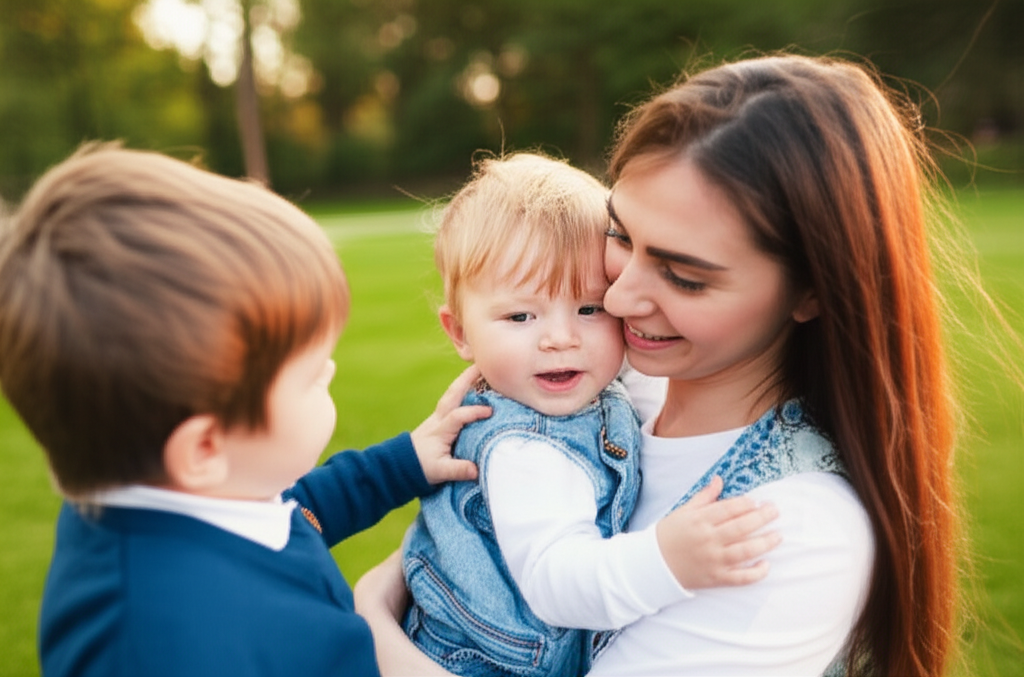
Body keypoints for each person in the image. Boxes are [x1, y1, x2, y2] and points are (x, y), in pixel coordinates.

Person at [355, 53, 962, 677]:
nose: (617, 298)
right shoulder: (587, 399)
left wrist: (372, 618)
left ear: (811, 291)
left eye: (683, 276)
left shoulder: (789, 529)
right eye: (620, 237)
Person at [0, 143, 491, 677]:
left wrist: (405, 462)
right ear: (204, 448)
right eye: (310, 376)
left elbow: (296, 513)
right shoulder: (158, 645)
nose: (329, 373)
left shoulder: (187, 498)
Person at [400, 152, 782, 677]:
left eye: (589, 308)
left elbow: (645, 390)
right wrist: (667, 559)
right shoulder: (523, 449)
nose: (561, 338)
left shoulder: (591, 384)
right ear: (461, 333)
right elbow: (557, 583)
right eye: (520, 316)